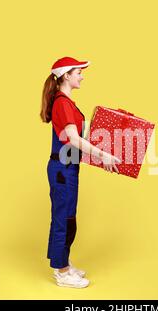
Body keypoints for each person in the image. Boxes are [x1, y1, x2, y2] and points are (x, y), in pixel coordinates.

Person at [40, 57, 121, 288]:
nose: (82, 76)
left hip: (69, 168)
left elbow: (76, 142)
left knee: (69, 218)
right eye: (78, 72)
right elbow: (74, 140)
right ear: (66, 75)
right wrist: (102, 155)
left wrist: (102, 155)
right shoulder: (62, 103)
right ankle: (61, 272)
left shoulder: (67, 102)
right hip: (62, 170)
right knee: (62, 220)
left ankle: (64, 262)